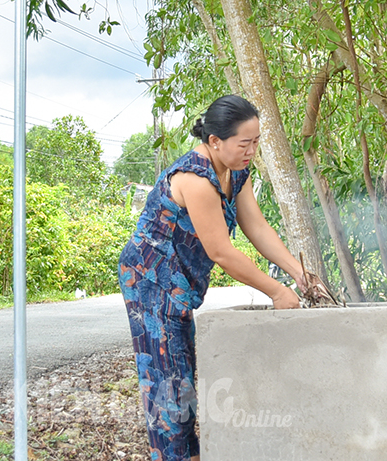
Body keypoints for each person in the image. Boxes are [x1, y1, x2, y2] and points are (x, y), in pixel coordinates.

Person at [118, 95, 308, 461]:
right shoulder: (195, 178)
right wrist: (276, 290)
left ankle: (189, 455)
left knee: (182, 375)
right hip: (151, 282)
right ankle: (173, 455)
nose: (252, 150)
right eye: (244, 143)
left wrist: (298, 273)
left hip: (181, 287)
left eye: (256, 142)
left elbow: (257, 227)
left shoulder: (236, 172)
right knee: (168, 385)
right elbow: (221, 251)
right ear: (215, 141)